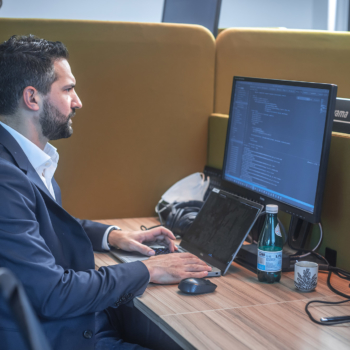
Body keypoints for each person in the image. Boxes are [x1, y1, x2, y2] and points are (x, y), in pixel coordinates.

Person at [0, 34, 211, 350]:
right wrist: (146, 269)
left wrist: (113, 236)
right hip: (63, 337)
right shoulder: (5, 177)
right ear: (32, 98)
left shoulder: (21, 157)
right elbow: (53, 294)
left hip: (81, 321)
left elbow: (43, 224)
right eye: (68, 89)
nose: (78, 101)